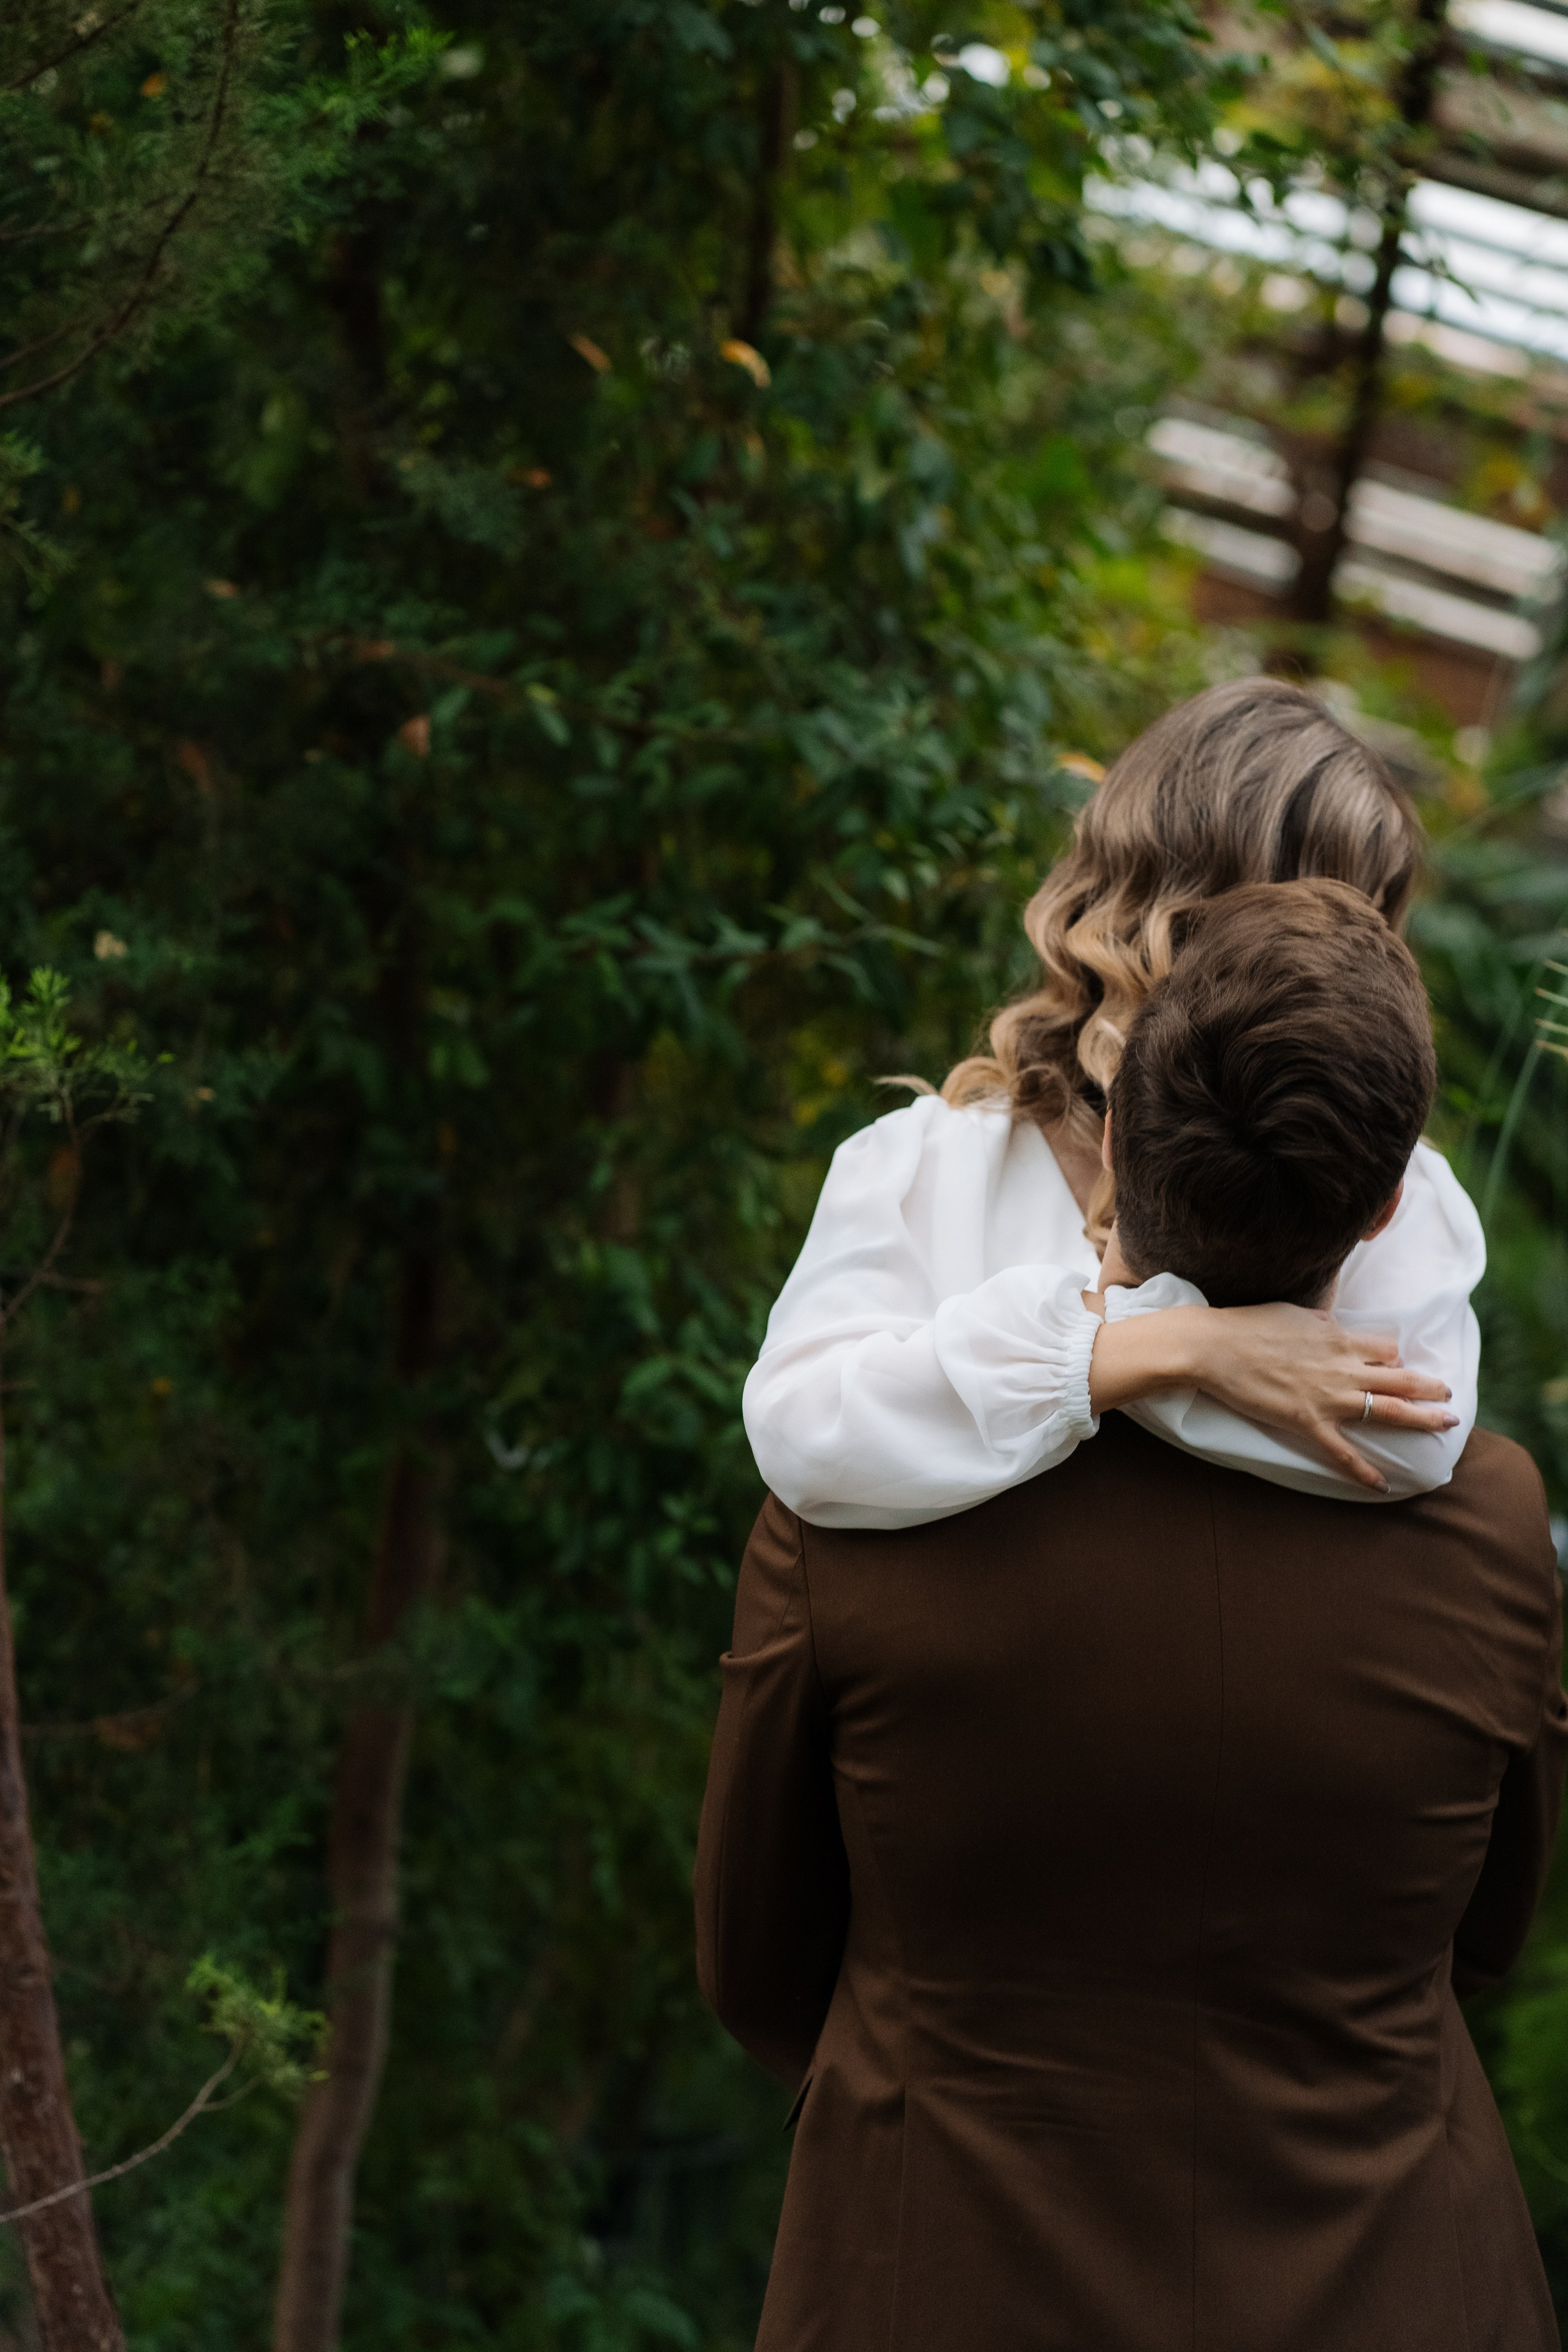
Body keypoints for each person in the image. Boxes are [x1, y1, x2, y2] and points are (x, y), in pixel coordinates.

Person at [697, 880, 1567, 2352]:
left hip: (932, 2272)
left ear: (1111, 1159)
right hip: (1391, 2277)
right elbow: (1478, 1937)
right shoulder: (1482, 1524)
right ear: (1376, 1210)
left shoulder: (852, 1518)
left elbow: (753, 1958)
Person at [744, 677, 1476, 1524]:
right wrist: (1193, 1347)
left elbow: (1411, 1439)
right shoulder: (923, 1166)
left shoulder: (1394, 1188)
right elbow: (806, 1441)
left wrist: (1078, 1365)